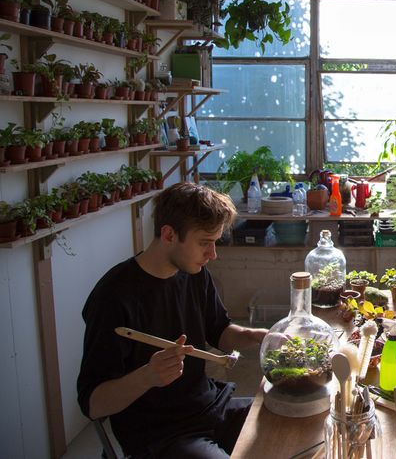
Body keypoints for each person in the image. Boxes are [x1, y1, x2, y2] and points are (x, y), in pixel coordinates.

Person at [77, 182, 267, 458]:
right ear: (168, 234)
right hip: (160, 434)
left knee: (285, 417)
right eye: (204, 243)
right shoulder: (114, 296)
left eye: (214, 243)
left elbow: (221, 332)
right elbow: (93, 403)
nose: (212, 255)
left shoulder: (194, 273)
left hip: (209, 407)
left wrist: (257, 336)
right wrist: (147, 376)